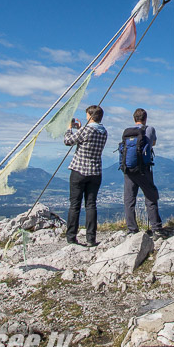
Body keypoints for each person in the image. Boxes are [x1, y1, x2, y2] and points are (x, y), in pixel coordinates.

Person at [63, 104, 107, 247]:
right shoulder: (103, 131)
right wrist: (80, 128)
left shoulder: (86, 130)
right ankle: (91, 238)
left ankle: (71, 237)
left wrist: (69, 128)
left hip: (79, 171)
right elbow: (87, 137)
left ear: (90, 116)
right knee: (91, 205)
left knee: (75, 205)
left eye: (87, 115)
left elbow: (67, 141)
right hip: (95, 172)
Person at [122, 108, 164, 236]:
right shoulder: (149, 129)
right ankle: (156, 229)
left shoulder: (127, 132)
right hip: (143, 170)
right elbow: (154, 143)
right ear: (145, 118)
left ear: (134, 118)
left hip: (128, 169)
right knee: (150, 197)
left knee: (129, 200)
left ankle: (132, 229)